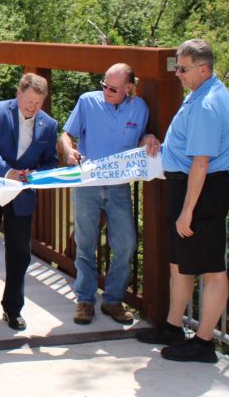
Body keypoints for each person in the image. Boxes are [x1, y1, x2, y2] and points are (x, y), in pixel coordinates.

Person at [136, 39, 229, 363]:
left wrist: (187, 212)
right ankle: (173, 327)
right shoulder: (199, 94)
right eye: (176, 67)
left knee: (211, 270)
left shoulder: (207, 104)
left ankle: (204, 343)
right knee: (180, 265)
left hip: (201, 193)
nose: (176, 73)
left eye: (182, 68)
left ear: (203, 69)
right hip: (185, 187)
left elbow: (201, 162)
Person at [60, 63, 160, 325]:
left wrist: (148, 139)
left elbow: (138, 140)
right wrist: (69, 151)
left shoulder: (140, 108)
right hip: (88, 183)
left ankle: (113, 300)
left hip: (119, 186)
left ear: (129, 88)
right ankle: (85, 300)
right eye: (104, 84)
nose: (106, 90)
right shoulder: (87, 101)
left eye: (113, 88)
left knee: (126, 244)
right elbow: (66, 135)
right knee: (85, 243)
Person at [0, 73, 58, 331]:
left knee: (19, 254)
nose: (32, 108)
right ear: (19, 93)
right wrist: (7, 172)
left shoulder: (50, 125)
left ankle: (13, 309)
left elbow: (51, 161)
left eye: (38, 103)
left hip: (22, 196)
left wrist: (37, 174)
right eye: (29, 101)